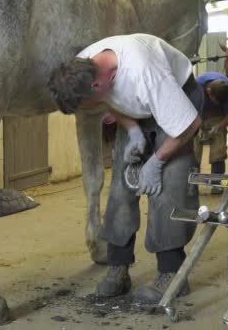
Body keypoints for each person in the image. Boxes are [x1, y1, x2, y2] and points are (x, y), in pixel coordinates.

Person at [48, 33, 204, 304]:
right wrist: (133, 132)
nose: (91, 108)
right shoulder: (86, 66)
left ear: (97, 84)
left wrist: (156, 161)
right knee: (122, 186)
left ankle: (172, 275)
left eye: (87, 105)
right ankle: (118, 268)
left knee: (168, 186)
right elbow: (109, 100)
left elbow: (189, 124)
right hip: (138, 107)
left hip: (177, 99)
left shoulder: (145, 72)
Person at [194, 72, 228, 194]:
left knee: (219, 149)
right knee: (194, 150)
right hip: (198, 113)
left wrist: (217, 127)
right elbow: (188, 109)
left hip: (218, 114)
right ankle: (192, 184)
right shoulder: (196, 87)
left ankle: (217, 183)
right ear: (208, 91)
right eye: (216, 100)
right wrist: (197, 126)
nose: (218, 102)